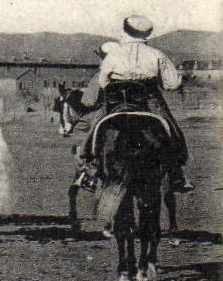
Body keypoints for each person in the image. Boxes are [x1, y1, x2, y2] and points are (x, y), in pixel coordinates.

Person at [76, 15, 191, 192]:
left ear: (126, 30)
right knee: (170, 128)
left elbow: (103, 80)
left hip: (116, 100)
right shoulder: (157, 55)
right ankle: (177, 173)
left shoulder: (113, 54)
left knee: (97, 127)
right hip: (147, 99)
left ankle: (90, 171)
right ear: (147, 34)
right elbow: (172, 84)